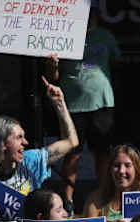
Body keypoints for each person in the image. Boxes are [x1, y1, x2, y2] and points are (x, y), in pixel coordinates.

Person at [44, 4, 120, 203]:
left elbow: (116, 62)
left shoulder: (106, 36)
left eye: (89, 13)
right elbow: (53, 76)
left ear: (95, 14)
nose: (86, 17)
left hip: (102, 101)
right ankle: (67, 201)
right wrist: (52, 65)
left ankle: (103, 198)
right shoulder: (63, 36)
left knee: (102, 153)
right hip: (73, 104)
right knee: (72, 153)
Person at [0, 77, 79, 217]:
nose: (25, 142)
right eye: (19, 137)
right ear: (2, 144)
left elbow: (71, 142)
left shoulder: (31, 160)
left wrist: (59, 103)